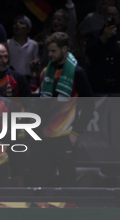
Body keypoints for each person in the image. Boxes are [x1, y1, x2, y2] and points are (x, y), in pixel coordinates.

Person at [26, 32, 93, 187]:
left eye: (53, 51)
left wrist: (76, 132)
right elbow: (39, 102)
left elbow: (89, 105)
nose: (49, 54)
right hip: (42, 139)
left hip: (64, 139)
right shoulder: (45, 73)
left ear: (64, 49)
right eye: (48, 51)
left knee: (66, 186)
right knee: (39, 184)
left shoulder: (77, 73)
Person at [84, 4, 120, 94]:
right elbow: (89, 53)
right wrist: (103, 38)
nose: (111, 17)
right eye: (109, 14)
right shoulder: (94, 35)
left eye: (114, 15)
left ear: (119, 17)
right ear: (104, 17)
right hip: (99, 86)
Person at [7, 15, 39, 89]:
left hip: (27, 79)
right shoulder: (8, 43)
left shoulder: (33, 44)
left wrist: (35, 63)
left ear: (28, 29)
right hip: (11, 79)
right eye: (15, 23)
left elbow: (36, 60)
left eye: (21, 23)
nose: (17, 25)